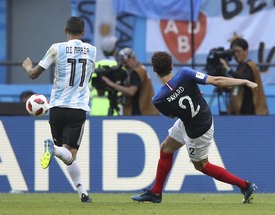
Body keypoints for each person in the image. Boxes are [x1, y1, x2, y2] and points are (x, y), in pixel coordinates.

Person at [131, 51, 258, 204]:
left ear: (154, 71)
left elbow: (173, 114)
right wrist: (244, 81)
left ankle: (245, 185)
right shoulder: (185, 73)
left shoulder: (158, 99)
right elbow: (216, 80)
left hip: (198, 129)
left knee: (202, 165)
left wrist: (187, 95)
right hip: (196, 119)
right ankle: (155, 193)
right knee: (165, 148)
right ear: (171, 66)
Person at [22, 17, 96, 203]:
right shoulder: (92, 50)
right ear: (84, 32)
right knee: (69, 154)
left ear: (65, 31)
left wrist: (28, 66)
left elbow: (33, 75)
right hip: (77, 108)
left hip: (55, 108)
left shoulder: (57, 48)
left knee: (68, 156)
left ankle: (83, 193)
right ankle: (53, 149)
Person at [101, 47, 159, 115]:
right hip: (148, 111)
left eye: (126, 62)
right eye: (122, 62)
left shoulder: (137, 72)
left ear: (134, 59)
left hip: (141, 112)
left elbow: (131, 91)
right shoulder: (140, 68)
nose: (124, 65)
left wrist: (111, 84)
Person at [220, 38, 268, 115]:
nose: (236, 54)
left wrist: (228, 69)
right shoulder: (240, 66)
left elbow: (245, 79)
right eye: (233, 52)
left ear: (246, 51)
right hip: (241, 107)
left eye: (238, 51)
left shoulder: (250, 65)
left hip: (252, 109)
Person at [89, 36, 120, 116]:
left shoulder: (95, 66)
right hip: (114, 112)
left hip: (95, 111)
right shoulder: (119, 67)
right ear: (114, 50)